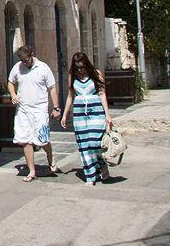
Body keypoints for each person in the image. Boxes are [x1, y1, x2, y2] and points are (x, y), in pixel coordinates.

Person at [8, 45, 61, 182]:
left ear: (32, 55)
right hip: (23, 109)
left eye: (26, 60)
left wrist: (55, 107)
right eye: (22, 61)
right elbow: (10, 82)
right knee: (25, 140)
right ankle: (32, 171)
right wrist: (13, 94)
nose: (24, 63)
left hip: (40, 109)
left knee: (42, 140)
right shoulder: (17, 68)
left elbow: (52, 88)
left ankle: (50, 156)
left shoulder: (43, 68)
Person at [60, 51, 112, 186]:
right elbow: (70, 96)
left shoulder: (96, 74)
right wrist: (65, 114)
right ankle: (90, 176)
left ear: (87, 65)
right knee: (84, 145)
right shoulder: (73, 76)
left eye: (82, 67)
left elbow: (102, 94)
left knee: (95, 142)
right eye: (77, 67)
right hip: (79, 114)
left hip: (96, 112)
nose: (80, 70)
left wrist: (108, 115)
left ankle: (102, 165)